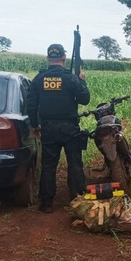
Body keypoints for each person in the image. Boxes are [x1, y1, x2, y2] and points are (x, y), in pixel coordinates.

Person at [26, 43, 91, 213]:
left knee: (48, 166)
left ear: (48, 58)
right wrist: (82, 81)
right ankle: (78, 199)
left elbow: (31, 105)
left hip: (48, 128)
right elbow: (84, 100)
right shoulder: (71, 78)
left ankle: (46, 204)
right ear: (64, 57)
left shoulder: (39, 79)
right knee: (75, 164)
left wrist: (34, 125)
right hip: (70, 128)